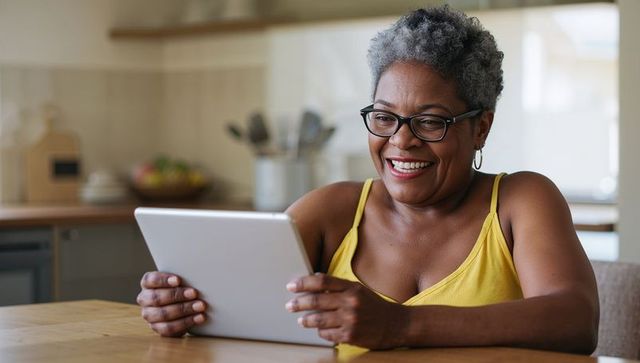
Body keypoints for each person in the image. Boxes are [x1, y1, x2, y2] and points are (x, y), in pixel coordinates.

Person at [136, 5, 598, 354]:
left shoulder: (521, 200)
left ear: (480, 126)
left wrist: (401, 326)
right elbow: (241, 305)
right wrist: (185, 308)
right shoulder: (333, 210)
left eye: (430, 122)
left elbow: (576, 320)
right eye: (384, 117)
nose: (402, 141)